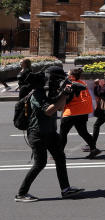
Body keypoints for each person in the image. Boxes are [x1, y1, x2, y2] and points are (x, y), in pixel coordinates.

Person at [15, 67, 85, 202]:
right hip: (38, 134)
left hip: (50, 133)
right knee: (40, 163)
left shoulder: (49, 93)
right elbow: (48, 111)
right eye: (58, 79)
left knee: (60, 158)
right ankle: (21, 194)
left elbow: (59, 107)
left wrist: (65, 93)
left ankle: (66, 189)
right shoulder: (37, 94)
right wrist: (63, 94)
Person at [59, 68, 99, 159]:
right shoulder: (82, 83)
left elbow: (67, 99)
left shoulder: (69, 84)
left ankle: (59, 153)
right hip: (83, 111)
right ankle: (93, 149)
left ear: (72, 76)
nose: (67, 75)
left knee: (63, 133)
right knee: (83, 132)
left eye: (68, 74)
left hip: (72, 111)